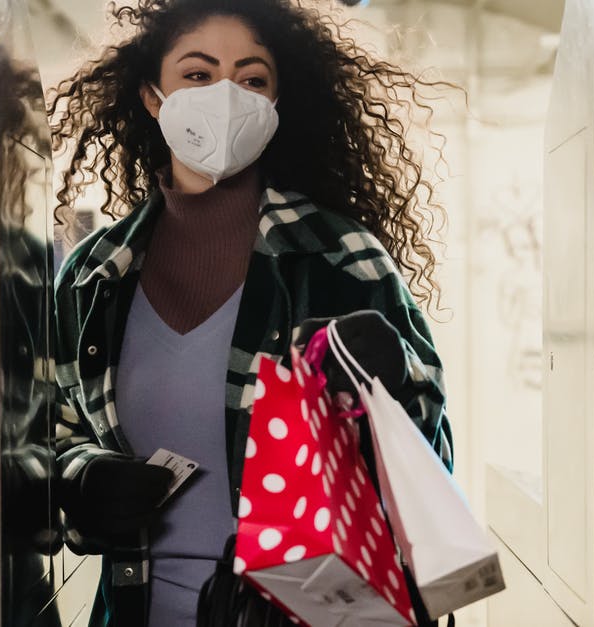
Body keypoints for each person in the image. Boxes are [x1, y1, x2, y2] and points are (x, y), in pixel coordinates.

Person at [46, 1, 455, 625]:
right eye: (199, 75)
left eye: (253, 79)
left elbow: (429, 453)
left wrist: (388, 374)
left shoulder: (340, 259)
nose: (227, 96)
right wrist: (82, 479)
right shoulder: (93, 276)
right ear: (153, 97)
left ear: (277, 103)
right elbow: (55, 432)